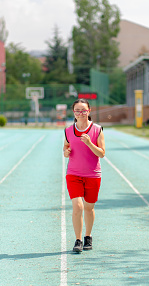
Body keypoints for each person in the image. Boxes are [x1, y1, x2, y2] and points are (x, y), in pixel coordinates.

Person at [63, 99, 105, 252]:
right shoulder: (68, 130)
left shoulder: (97, 129)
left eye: (83, 110)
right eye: (77, 110)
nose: (80, 113)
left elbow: (102, 153)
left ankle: (88, 236)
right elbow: (66, 147)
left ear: (89, 111)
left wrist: (89, 143)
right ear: (73, 112)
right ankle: (78, 240)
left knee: (88, 207)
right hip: (73, 174)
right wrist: (66, 152)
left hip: (92, 175)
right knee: (78, 207)